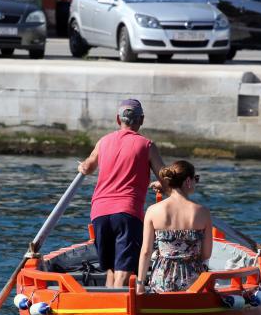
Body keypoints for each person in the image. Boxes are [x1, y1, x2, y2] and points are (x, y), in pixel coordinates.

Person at [79, 99, 165, 288]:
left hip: (99, 212)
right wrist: (160, 185)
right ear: (141, 120)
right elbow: (166, 178)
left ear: (118, 120)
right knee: (124, 271)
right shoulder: (147, 146)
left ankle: (108, 308)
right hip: (127, 212)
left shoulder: (103, 142)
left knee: (109, 268)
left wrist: (82, 166)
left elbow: (87, 167)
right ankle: (119, 310)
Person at [136, 160, 212, 294]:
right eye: (196, 179)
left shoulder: (153, 211)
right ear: (188, 181)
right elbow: (206, 254)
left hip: (162, 280)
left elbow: (146, 252)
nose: (196, 182)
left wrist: (140, 284)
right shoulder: (202, 212)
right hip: (194, 282)